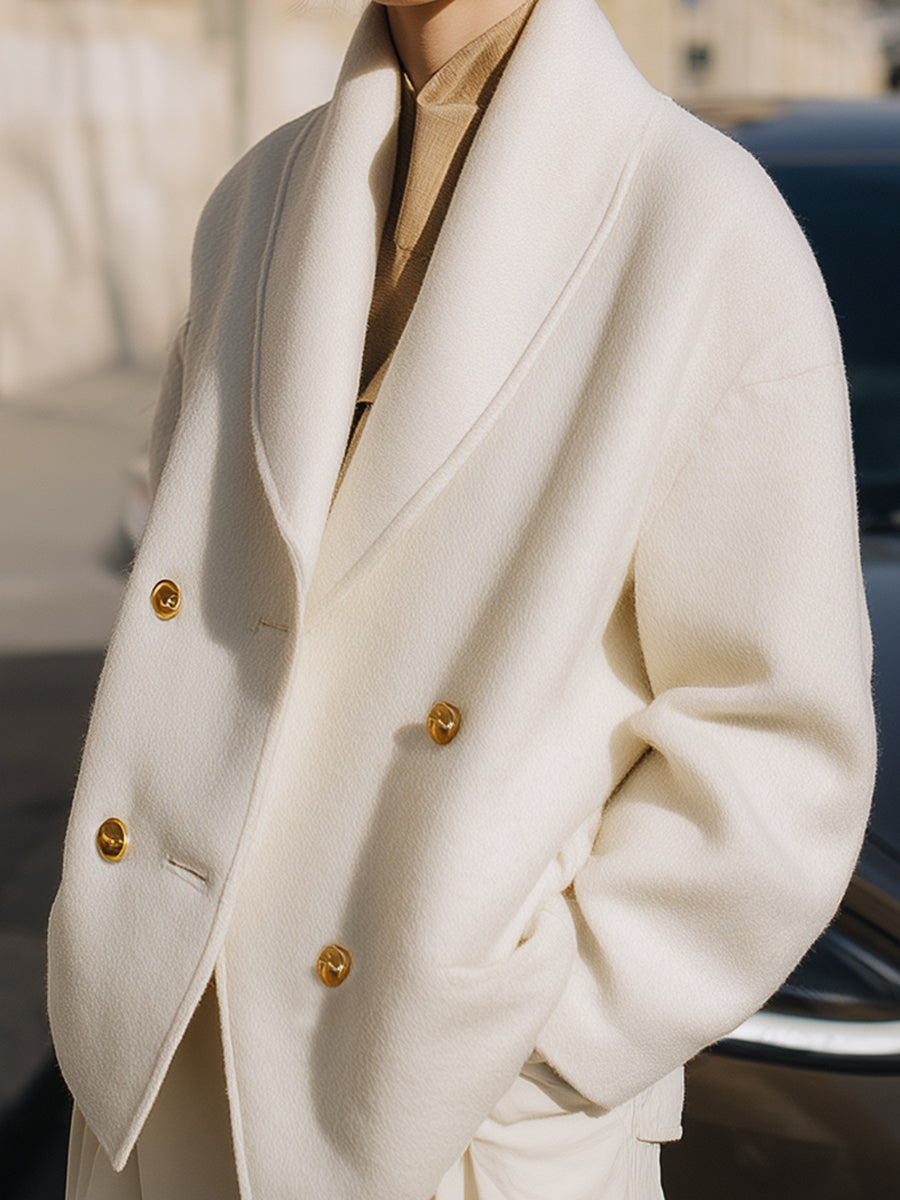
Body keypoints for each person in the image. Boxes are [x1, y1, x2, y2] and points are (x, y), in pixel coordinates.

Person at [48, 0, 877, 1197]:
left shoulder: (700, 223)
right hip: (170, 1074)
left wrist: (537, 1039)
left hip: (450, 1127)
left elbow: (775, 743)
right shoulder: (256, 201)